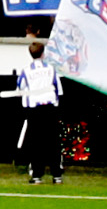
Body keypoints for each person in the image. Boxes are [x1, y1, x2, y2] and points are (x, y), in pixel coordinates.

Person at [11, 29, 66, 183]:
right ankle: (57, 175)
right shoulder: (51, 70)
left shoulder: (26, 72)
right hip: (50, 108)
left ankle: (37, 175)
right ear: (43, 53)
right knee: (53, 141)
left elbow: (20, 90)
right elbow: (59, 90)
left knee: (36, 142)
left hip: (34, 110)